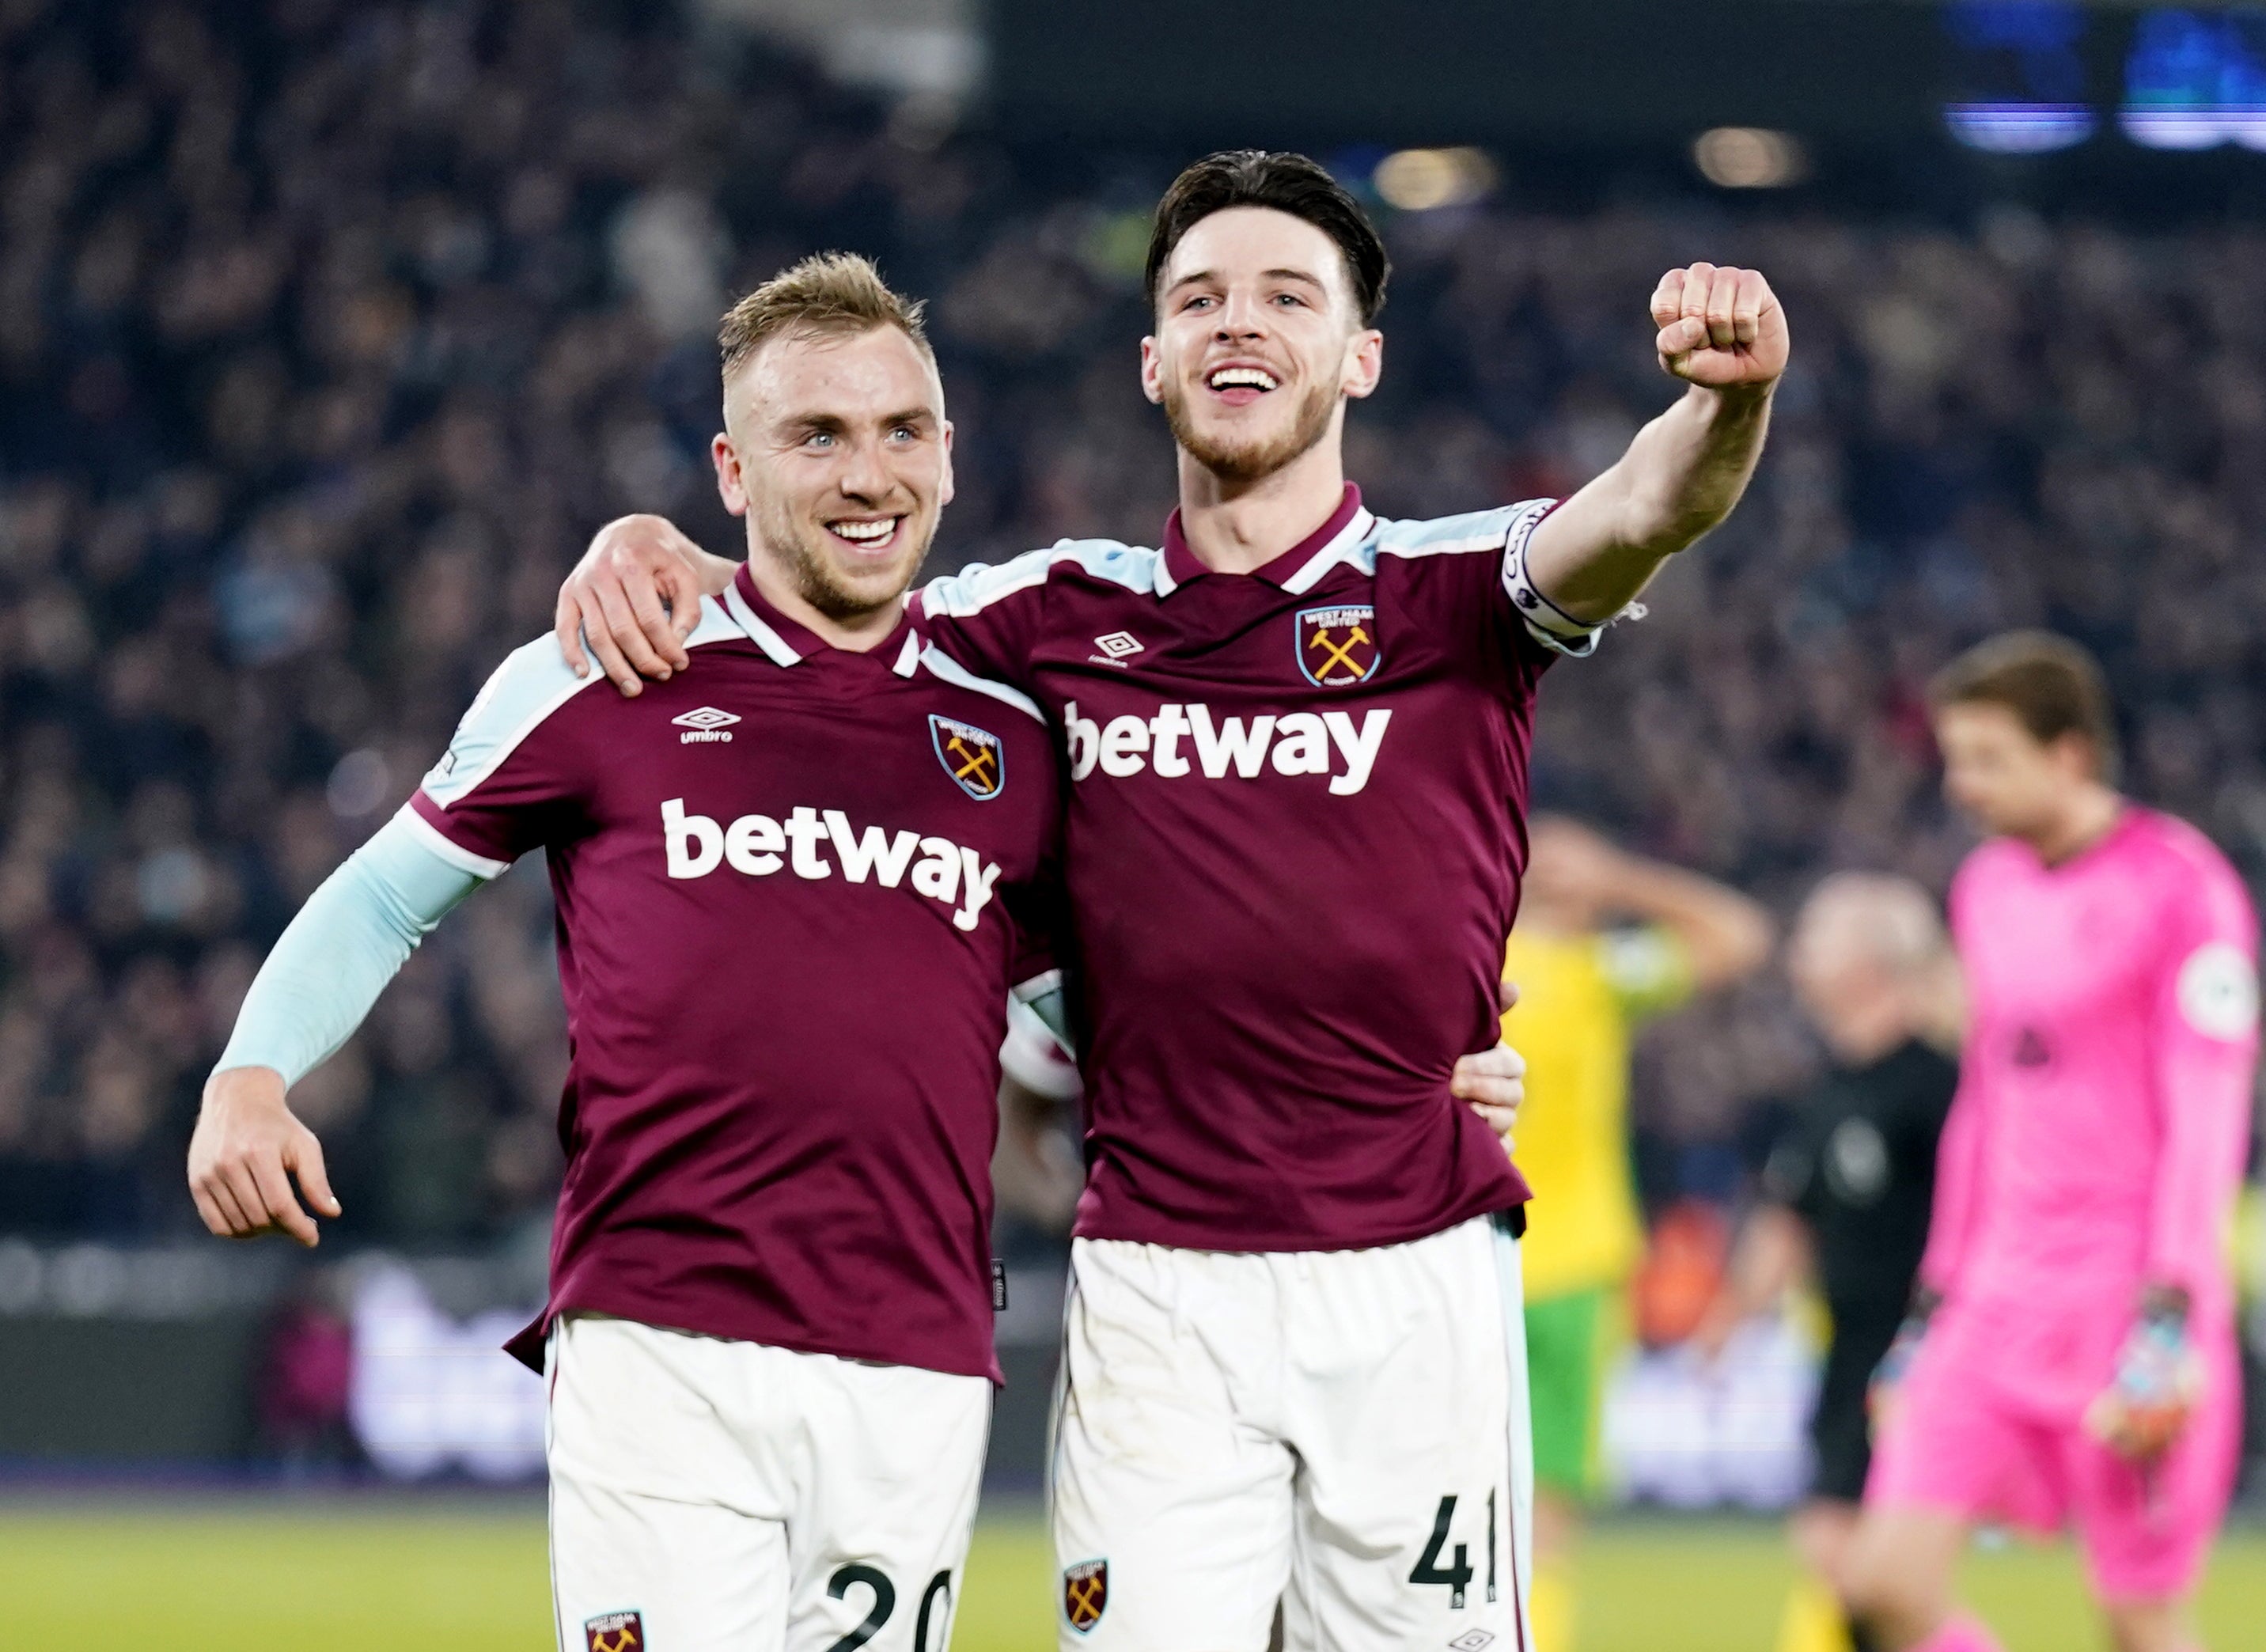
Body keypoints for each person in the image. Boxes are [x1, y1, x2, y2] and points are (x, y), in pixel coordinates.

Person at [559, 150, 1786, 1650]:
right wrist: (660, 542)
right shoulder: (1036, 617)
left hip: (1411, 1275)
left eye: (1285, 295)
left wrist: (1725, 404)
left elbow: (1649, 502)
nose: (1235, 325)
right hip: (1157, 1281)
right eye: (1196, 298)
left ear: (1359, 355)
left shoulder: (1455, 593)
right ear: (1150, 360)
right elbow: (822, 587)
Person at [187, 256, 1070, 1652]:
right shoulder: (609, 665)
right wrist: (251, 1071)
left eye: (901, 430)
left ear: (950, 457)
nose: (867, 472)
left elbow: (1116, 1007)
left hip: (915, 1356)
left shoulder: (1012, 738)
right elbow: (383, 896)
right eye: (816, 435)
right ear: (730, 466)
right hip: (664, 1342)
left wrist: (1379, 1070)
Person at [1841, 633, 2260, 1652]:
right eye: (1954, 759)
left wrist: (2170, 1306)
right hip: (1991, 1298)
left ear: (2069, 754)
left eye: (1986, 759)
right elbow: (1988, 1098)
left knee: (2138, 1620)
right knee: (1881, 1588)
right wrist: (1933, 1297)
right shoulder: (1985, 889)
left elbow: (2210, 1107)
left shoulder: (2183, 890)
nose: (1961, 786)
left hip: (2125, 1303)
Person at [1500, 814, 1774, 1652]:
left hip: (1555, 1264)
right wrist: (1611, 879)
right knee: (1525, 1503)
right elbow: (1738, 934)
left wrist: (1613, 881)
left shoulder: (1583, 969)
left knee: (1534, 1501)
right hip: (1506, 1261)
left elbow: (1741, 937)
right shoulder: (1543, 969)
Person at [1698, 873, 1960, 1652]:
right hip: (1845, 1352)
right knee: (1841, 1558)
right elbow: (1789, 1219)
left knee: (1856, 1561)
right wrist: (1729, 1318)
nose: (1798, 954)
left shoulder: (1935, 1086)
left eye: (1816, 936)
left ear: (1867, 965)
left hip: (1912, 1353)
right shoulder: (1828, 1089)